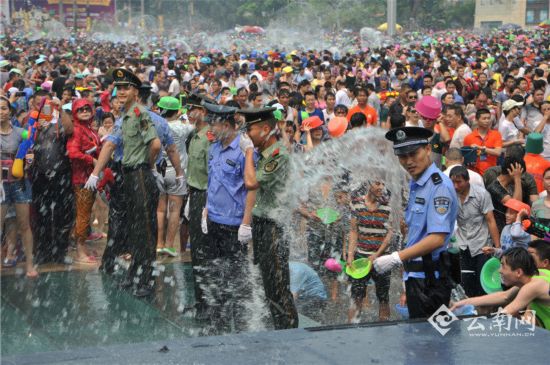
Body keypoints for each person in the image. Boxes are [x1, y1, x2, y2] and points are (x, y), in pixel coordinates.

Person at [85, 68, 161, 297]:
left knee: (145, 231)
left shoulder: (139, 114)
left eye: (126, 87)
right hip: (129, 175)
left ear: (136, 92)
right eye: (118, 87)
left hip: (139, 174)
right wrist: (95, 174)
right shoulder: (125, 116)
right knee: (135, 229)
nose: (121, 91)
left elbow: (155, 144)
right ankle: (135, 275)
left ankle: (147, 280)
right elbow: (110, 145)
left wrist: (144, 165)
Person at [375, 126, 458, 319]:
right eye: (403, 156)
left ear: (427, 149)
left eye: (413, 154)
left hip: (430, 282)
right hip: (416, 277)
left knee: (431, 343)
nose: (409, 161)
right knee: (420, 342)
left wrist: (396, 257)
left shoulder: (439, 187)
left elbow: (437, 238)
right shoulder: (417, 183)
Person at [241, 106, 299, 329]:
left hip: (274, 226)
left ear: (266, 129)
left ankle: (289, 329)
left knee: (278, 283)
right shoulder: (266, 154)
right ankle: (279, 325)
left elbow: (251, 183)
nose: (248, 135)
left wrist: (247, 152)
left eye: (251, 130)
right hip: (263, 224)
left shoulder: (277, 155)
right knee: (268, 282)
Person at [201, 103, 252, 333]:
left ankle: (240, 325)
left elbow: (252, 188)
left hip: (233, 225)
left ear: (227, 125)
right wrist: (205, 208)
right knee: (216, 275)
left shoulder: (243, 150)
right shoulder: (215, 148)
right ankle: (218, 324)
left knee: (237, 279)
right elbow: (213, 181)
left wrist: (246, 223)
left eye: (215, 123)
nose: (211, 127)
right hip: (213, 221)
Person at [451, 247, 550, 330]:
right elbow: (505, 296)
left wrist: (467, 322)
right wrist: (463, 303)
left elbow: (504, 315)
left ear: (518, 272)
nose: (499, 271)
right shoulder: (537, 274)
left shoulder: (531, 287)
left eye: (503, 266)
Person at [0, 96, 37, 277]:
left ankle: (30, 264)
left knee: (24, 225)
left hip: (20, 183)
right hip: (0, 185)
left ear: (10, 111)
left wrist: (29, 159)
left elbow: (29, 152)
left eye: (4, 108)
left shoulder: (21, 132)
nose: (1, 112)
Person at [449, 165, 500, 297]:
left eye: (459, 182)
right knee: (467, 284)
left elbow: (490, 220)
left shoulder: (481, 194)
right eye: (452, 182)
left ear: (467, 181)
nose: (455, 186)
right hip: (463, 245)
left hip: (482, 245)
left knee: (482, 284)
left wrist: (497, 248)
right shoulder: (450, 195)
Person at [186, 93, 215, 317]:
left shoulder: (208, 138)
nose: (188, 113)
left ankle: (208, 302)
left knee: (203, 250)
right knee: (196, 250)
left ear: (203, 112)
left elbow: (212, 174)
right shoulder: (195, 136)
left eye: (193, 109)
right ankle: (200, 300)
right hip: (194, 194)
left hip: (205, 196)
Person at [347, 180, 393, 322]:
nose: (381, 187)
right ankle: (351, 329)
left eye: (383, 184)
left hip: (382, 258)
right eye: (377, 183)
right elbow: (354, 231)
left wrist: (377, 255)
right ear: (368, 185)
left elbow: (390, 234)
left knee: (383, 296)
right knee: (356, 296)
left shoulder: (388, 206)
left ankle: (384, 328)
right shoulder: (356, 204)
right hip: (361, 256)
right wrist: (350, 255)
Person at [67, 99, 102, 264]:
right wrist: (91, 160)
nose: (85, 112)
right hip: (82, 179)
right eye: (80, 110)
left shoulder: (88, 128)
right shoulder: (77, 130)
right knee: (83, 215)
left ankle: (83, 248)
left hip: (90, 177)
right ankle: (80, 252)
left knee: (85, 214)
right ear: (75, 113)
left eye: (87, 109)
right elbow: (73, 153)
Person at [155, 96, 190, 257]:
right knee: (174, 211)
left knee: (160, 210)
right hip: (177, 173)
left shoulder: (156, 125)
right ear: (176, 111)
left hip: (158, 171)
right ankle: (169, 245)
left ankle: (159, 243)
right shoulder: (182, 127)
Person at [463, 108, 503, 175]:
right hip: (475, 173)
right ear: (476, 120)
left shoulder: (496, 134)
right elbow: (466, 157)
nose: (487, 121)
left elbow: (498, 152)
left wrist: (481, 148)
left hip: (492, 173)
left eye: (488, 118)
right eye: (484, 118)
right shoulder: (469, 137)